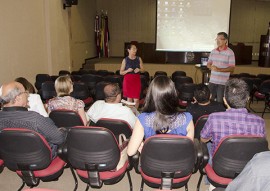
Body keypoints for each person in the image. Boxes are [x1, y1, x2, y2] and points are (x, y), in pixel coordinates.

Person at [127, 76, 194, 156]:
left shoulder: (143, 119)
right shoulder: (187, 118)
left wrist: (144, 148)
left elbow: (130, 152)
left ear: (151, 95)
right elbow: (188, 150)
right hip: (179, 166)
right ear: (173, 94)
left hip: (152, 166)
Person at [200, 78, 266, 158]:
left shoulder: (214, 118)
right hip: (248, 162)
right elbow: (260, 144)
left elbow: (203, 139)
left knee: (207, 145)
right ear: (248, 99)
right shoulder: (260, 122)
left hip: (220, 165)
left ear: (224, 100)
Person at [0, 81, 66, 158]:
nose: (28, 95)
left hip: (11, 158)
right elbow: (59, 139)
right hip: (41, 159)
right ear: (18, 98)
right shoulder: (35, 119)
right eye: (25, 92)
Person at [207, 32, 235, 103]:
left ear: (225, 40)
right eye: (217, 39)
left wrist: (219, 69)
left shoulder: (230, 52)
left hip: (222, 83)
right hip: (212, 81)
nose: (218, 41)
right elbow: (208, 63)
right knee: (209, 100)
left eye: (220, 39)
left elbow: (232, 68)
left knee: (220, 102)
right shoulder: (213, 51)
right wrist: (210, 66)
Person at [120, 43, 144, 109]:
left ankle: (135, 113)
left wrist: (139, 70)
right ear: (128, 50)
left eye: (136, 49)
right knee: (129, 100)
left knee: (136, 100)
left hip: (136, 80)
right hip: (128, 81)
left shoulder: (139, 59)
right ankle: (130, 114)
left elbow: (143, 70)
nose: (135, 50)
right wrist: (127, 71)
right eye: (133, 49)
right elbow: (121, 72)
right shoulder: (125, 60)